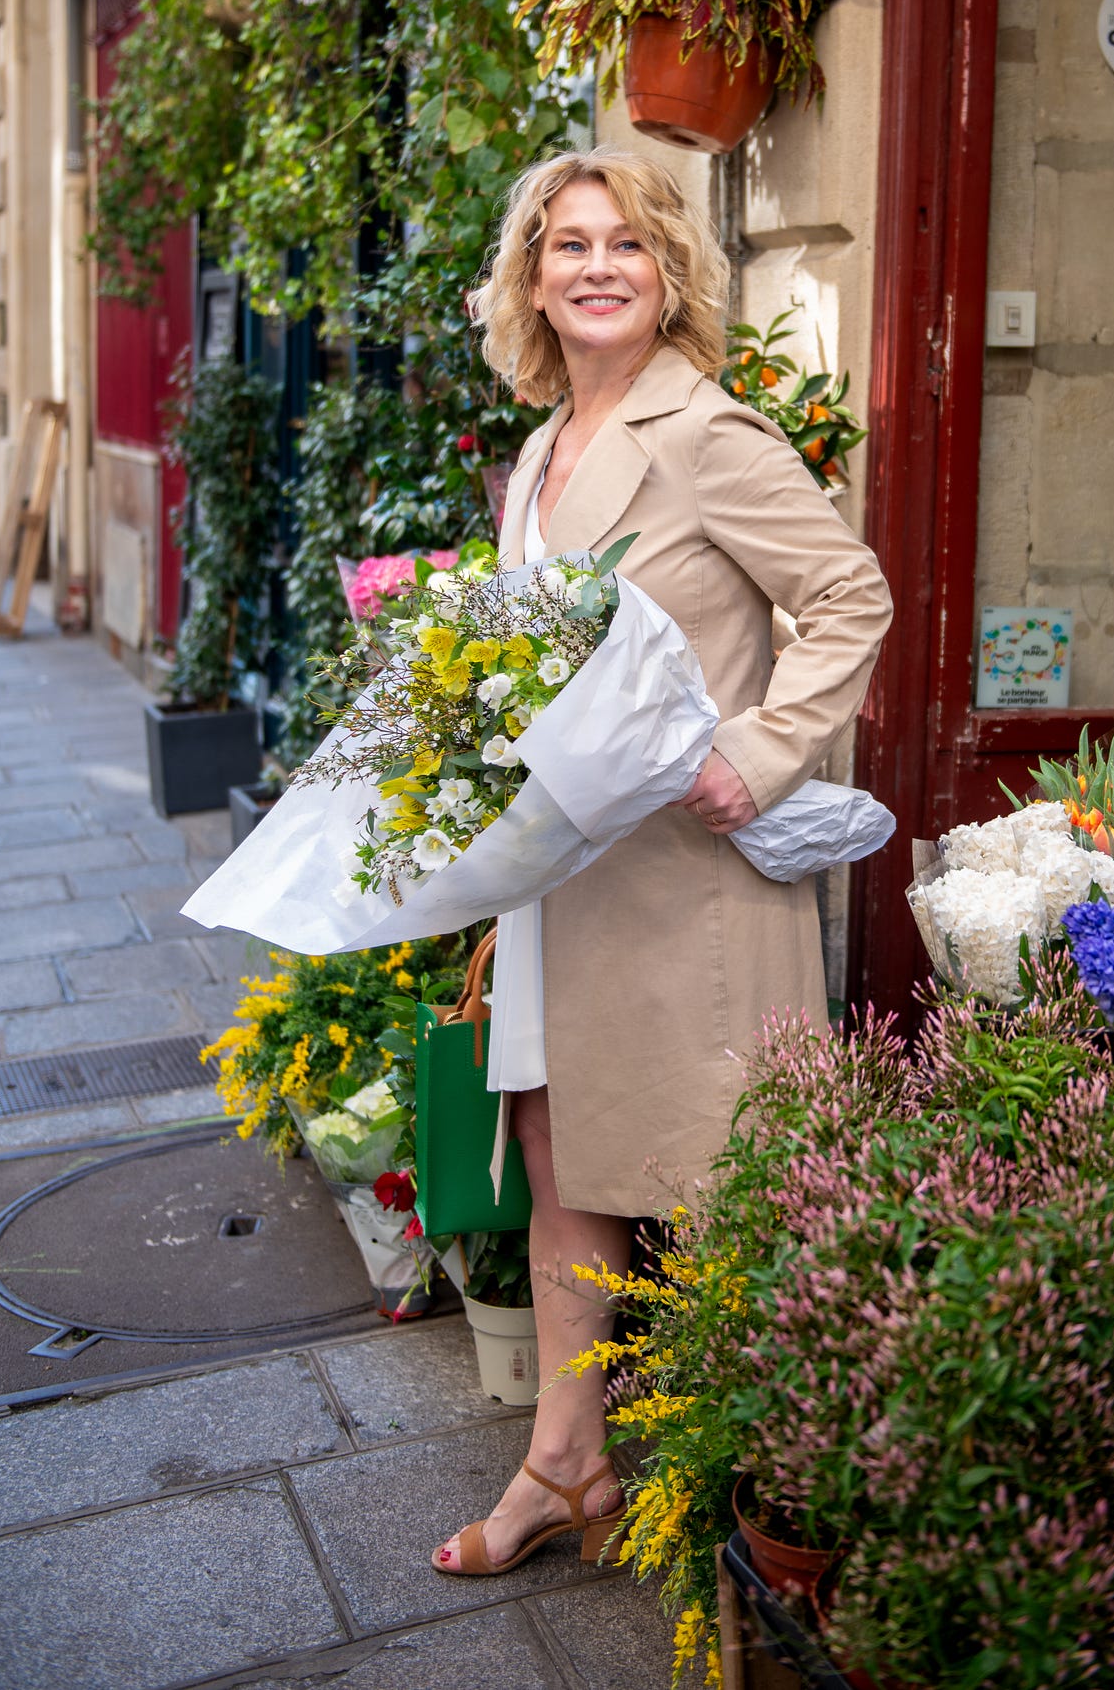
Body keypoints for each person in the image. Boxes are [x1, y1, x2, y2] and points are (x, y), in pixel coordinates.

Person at [431, 145, 892, 1577]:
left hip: (690, 886)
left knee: (718, 1183)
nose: (597, 267)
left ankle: (791, 1496)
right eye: (568, 245)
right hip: (566, 882)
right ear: (531, 280)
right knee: (562, 1159)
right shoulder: (537, 451)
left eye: (625, 243)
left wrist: (754, 757)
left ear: (669, 269)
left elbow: (846, 595)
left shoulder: (707, 435)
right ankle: (566, 1463)